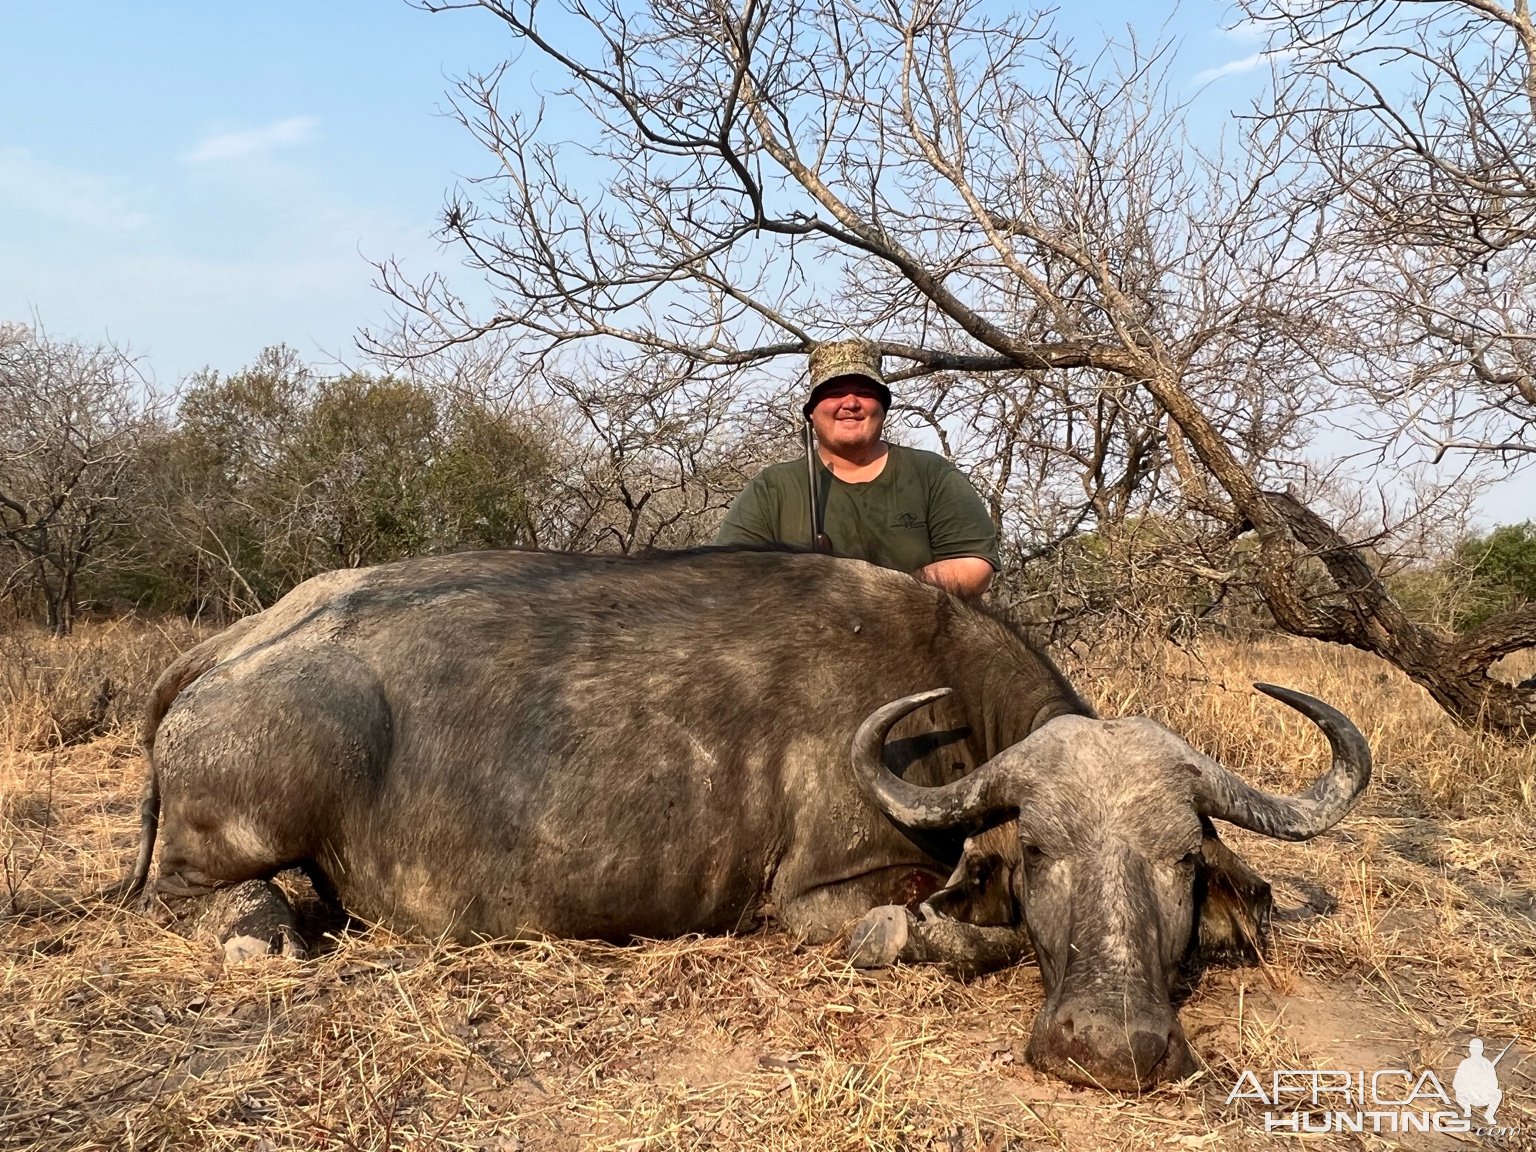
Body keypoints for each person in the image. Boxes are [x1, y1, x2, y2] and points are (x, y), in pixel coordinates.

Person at [715, 339, 999, 598]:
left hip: (917, 641)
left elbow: (973, 566)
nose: (850, 403)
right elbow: (728, 573)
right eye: (834, 392)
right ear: (811, 412)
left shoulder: (931, 474)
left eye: (864, 392)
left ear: (883, 408)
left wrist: (880, 594)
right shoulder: (773, 487)